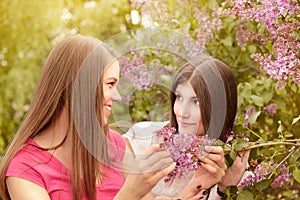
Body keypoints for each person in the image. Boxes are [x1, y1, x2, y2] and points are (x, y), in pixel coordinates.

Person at [0, 35, 176, 200]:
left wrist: (194, 187)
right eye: (110, 84)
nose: (117, 97)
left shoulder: (112, 145)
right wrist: (129, 194)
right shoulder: (25, 170)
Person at [123, 55, 250, 199]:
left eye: (196, 102)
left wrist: (225, 189)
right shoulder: (140, 139)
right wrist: (196, 184)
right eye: (179, 97)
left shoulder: (235, 168)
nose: (182, 113)